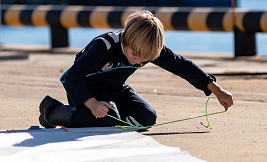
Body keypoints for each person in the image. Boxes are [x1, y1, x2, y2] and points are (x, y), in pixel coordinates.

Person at [39, 10, 233, 129]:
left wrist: (216, 90)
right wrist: (91, 103)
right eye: (135, 56)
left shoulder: (147, 48)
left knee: (147, 117)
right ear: (125, 40)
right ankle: (53, 111)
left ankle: (109, 114)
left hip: (115, 88)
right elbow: (72, 77)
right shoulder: (104, 46)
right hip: (86, 90)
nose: (139, 62)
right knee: (107, 119)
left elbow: (182, 65)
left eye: (145, 59)